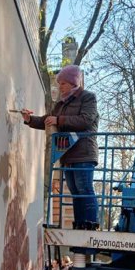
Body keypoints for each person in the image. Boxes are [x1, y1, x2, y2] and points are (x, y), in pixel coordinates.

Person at [22, 64, 99, 229]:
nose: (60, 86)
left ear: (73, 83)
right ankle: (80, 224)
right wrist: (30, 119)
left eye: (63, 83)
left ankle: (91, 224)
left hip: (84, 152)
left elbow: (86, 120)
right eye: (59, 83)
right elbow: (48, 120)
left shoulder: (88, 98)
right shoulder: (61, 103)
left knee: (84, 189)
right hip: (67, 154)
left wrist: (59, 120)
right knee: (75, 191)